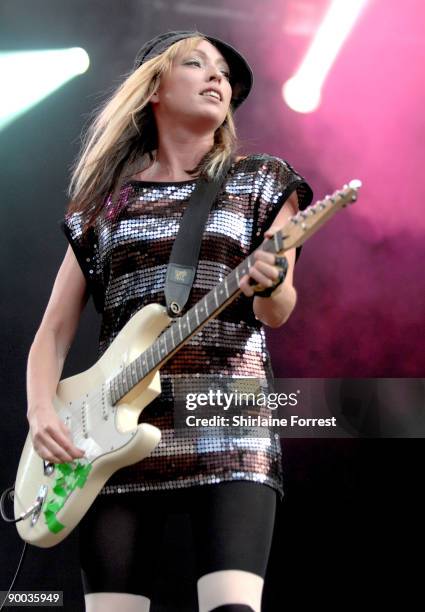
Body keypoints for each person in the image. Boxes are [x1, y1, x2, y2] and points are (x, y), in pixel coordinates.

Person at [26, 31, 313, 612]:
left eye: (226, 75)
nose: (218, 78)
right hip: (106, 431)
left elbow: (275, 313)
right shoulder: (105, 205)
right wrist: (40, 413)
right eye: (196, 63)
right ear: (154, 87)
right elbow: (54, 330)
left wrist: (275, 281)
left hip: (226, 415)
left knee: (232, 607)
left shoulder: (260, 180)